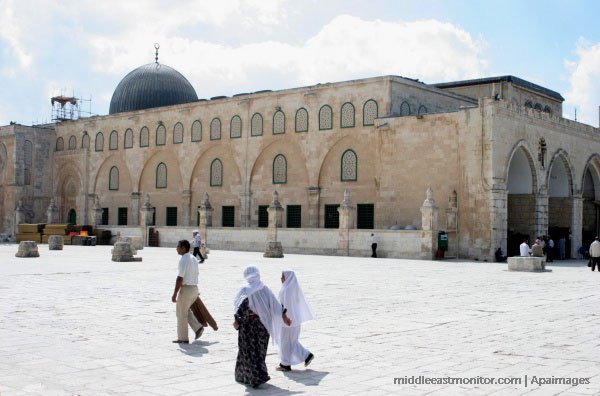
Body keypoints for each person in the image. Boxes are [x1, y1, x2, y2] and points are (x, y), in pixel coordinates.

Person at [233, 266, 292, 388]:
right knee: (259, 352)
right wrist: (284, 317)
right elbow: (276, 304)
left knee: (248, 352)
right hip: (263, 327)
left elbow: (241, 307)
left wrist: (237, 321)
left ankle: (251, 377)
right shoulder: (265, 289)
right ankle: (259, 375)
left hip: (248, 327)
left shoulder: (245, 289)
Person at [276, 270, 315, 372]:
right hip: (295, 321)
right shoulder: (294, 288)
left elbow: (284, 305)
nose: (281, 278)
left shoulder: (286, 289)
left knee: (285, 342)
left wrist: (283, 317)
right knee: (292, 342)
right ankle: (306, 355)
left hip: (287, 321)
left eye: (283, 276)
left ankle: (285, 364)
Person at [171, 240, 204, 344]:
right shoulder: (194, 258)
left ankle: (183, 338)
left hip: (187, 289)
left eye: (178, 246)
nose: (176, 248)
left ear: (183, 248)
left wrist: (175, 293)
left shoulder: (184, 260)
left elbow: (179, 278)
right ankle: (198, 328)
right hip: (194, 288)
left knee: (181, 313)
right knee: (186, 311)